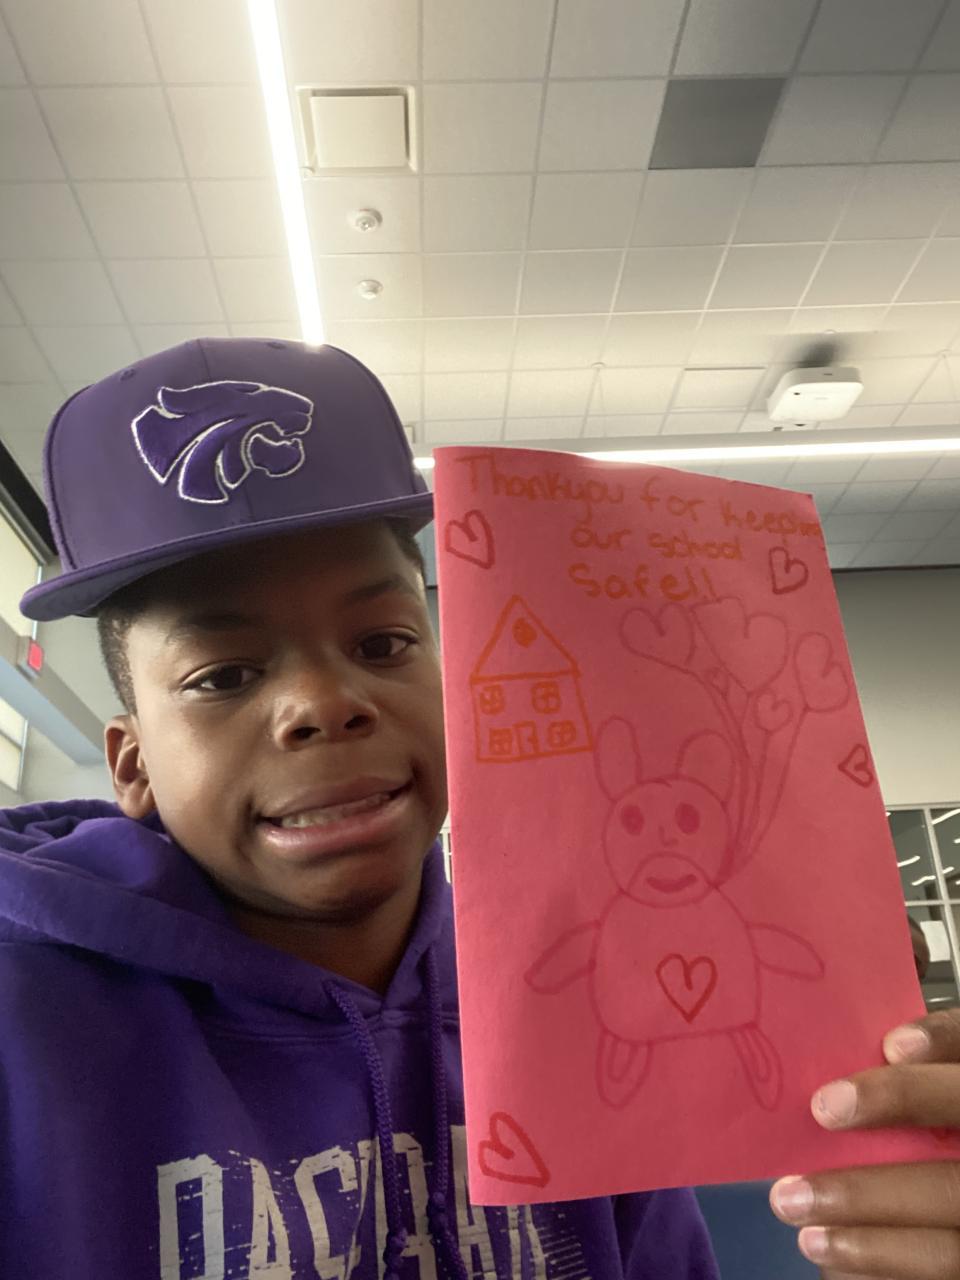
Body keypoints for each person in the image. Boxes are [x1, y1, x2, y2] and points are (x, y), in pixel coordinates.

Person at [0, 338, 958, 1280]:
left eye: (382, 643)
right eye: (223, 676)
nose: (324, 703)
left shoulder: (571, 996)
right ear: (132, 763)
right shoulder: (28, 1027)